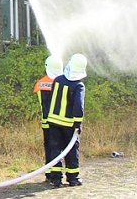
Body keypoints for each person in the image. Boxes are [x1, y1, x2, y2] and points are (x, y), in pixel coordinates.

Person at [45, 53, 87, 187]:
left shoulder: (57, 80)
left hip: (53, 122)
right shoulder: (79, 86)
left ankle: (56, 178)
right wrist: (78, 123)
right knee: (71, 150)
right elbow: (78, 107)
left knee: (55, 149)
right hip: (68, 124)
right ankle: (73, 178)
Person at [35, 55, 65, 184]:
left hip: (47, 122)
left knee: (49, 147)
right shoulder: (63, 82)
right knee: (61, 147)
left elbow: (43, 104)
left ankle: (50, 174)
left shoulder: (41, 83)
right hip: (61, 121)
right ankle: (59, 175)